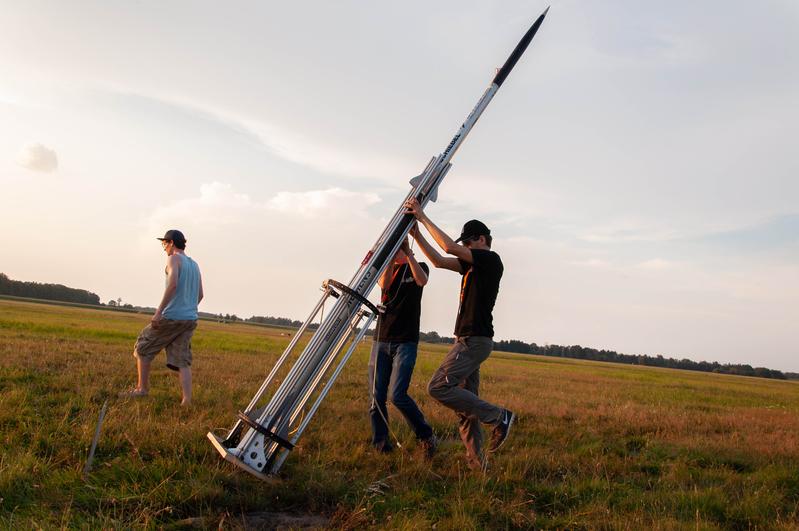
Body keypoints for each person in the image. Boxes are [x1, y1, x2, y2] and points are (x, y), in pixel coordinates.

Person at [404, 198, 514, 469]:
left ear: (482, 239)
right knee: (466, 408)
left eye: (468, 242)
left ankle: (499, 417)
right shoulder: (472, 264)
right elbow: (440, 261)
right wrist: (417, 236)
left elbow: (448, 247)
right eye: (464, 243)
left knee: (438, 387)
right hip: (467, 338)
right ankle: (478, 465)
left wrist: (422, 217)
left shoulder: (490, 259)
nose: (464, 247)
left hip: (474, 339)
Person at [368, 238, 437, 458]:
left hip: (405, 341)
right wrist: (390, 259)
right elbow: (384, 285)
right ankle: (380, 444)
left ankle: (425, 435)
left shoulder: (418, 266)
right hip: (381, 339)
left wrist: (409, 254)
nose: (397, 251)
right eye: (395, 248)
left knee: (397, 395)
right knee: (377, 397)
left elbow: (422, 280)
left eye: (399, 246)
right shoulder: (388, 270)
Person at [122, 229, 203, 406]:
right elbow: (201, 294)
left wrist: (159, 312)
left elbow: (173, 284)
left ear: (172, 243)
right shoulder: (195, 264)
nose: (164, 247)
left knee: (143, 347)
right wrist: (188, 308)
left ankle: (141, 389)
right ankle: (186, 401)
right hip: (190, 319)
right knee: (183, 360)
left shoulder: (174, 259)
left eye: (164, 243)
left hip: (172, 317)